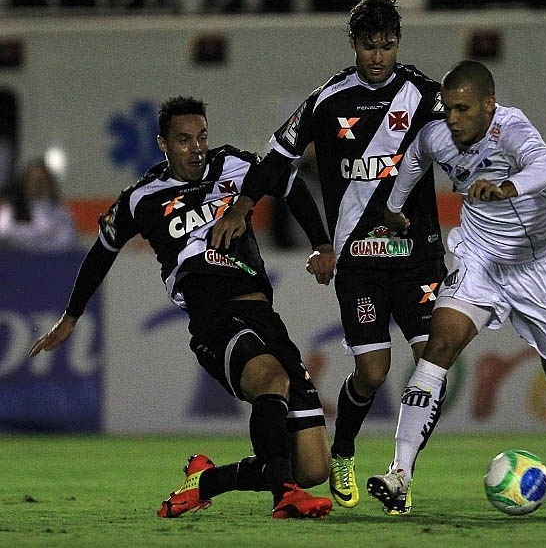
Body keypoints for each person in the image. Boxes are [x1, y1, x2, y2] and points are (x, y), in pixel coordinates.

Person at [28, 96, 336, 519]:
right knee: (270, 377)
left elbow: (288, 181)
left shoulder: (235, 167)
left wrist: (321, 244)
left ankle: (206, 482)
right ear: (163, 144)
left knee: (313, 468)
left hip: (264, 315)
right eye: (185, 140)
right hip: (212, 317)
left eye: (202, 137)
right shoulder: (143, 198)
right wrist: (71, 315)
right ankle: (284, 496)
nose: (197, 148)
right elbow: (103, 249)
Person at [229, 0, 447, 511]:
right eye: (369, 45)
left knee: (432, 365)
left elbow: (468, 140)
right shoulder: (327, 100)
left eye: (388, 44)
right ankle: (344, 449)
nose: (378, 56)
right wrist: (244, 204)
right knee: (372, 373)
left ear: (399, 42)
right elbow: (276, 157)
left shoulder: (423, 94)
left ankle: (400, 474)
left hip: (417, 256)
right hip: (360, 263)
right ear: (352, 43)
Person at [366, 60, 546, 514]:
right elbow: (415, 155)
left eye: (462, 109)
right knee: (438, 346)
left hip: (539, 266)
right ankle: (400, 473)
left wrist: (508, 186)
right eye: (448, 108)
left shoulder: (510, 127)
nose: (452, 119)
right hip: (479, 259)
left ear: (488, 106)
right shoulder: (440, 135)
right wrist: (395, 208)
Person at [0, 157, 79, 252]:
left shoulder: (60, 211)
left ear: (49, 183)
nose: (37, 185)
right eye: (33, 180)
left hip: (51, 263)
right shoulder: (12, 209)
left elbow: (68, 241)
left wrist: (34, 241)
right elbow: (5, 232)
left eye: (41, 180)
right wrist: (43, 234)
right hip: (18, 262)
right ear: (25, 182)